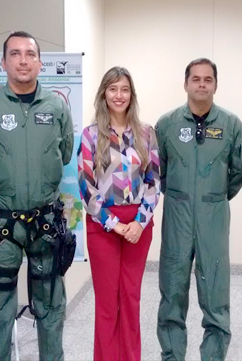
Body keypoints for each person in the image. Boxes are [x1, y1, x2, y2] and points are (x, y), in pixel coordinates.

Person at [0, 31, 74, 361]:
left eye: (30, 54)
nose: (23, 60)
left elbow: (66, 153)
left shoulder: (57, 106)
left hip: (46, 222)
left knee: (51, 302)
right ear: (3, 62)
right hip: (2, 224)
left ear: (40, 62)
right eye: (15, 54)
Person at [155, 58, 242, 361]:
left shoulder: (231, 124)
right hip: (177, 218)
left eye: (208, 79)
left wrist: (214, 197)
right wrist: (180, 196)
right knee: (172, 293)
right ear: (186, 84)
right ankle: (172, 355)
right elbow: (159, 170)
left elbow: (240, 169)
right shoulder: (166, 125)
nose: (201, 85)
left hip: (213, 219)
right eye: (195, 79)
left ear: (216, 85)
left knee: (216, 296)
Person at [78, 66, 161, 361]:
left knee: (130, 298)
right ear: (104, 94)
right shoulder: (90, 135)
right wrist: (113, 224)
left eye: (124, 89)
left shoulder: (146, 133)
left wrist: (139, 222)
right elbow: (86, 187)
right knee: (106, 302)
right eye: (113, 89)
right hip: (103, 225)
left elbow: (154, 181)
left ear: (131, 95)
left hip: (139, 224)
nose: (119, 95)